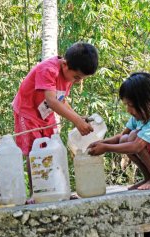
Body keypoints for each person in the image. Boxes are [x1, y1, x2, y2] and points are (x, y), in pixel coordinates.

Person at [12, 42, 99, 200]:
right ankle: (36, 193)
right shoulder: (48, 69)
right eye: (77, 77)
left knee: (53, 147)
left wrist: (78, 118)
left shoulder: (69, 76)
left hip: (46, 114)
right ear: (65, 64)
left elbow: (61, 99)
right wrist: (77, 122)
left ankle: (57, 189)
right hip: (28, 112)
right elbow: (52, 101)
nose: (78, 81)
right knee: (35, 152)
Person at [88, 72, 150, 190]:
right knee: (125, 138)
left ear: (146, 102)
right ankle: (149, 178)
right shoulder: (140, 116)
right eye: (126, 105)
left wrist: (106, 148)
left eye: (131, 105)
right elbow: (121, 137)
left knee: (133, 138)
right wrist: (101, 143)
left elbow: (136, 147)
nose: (128, 110)